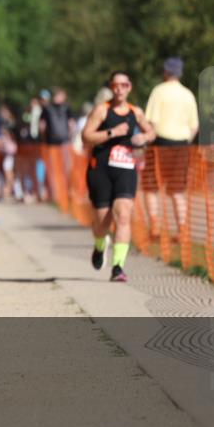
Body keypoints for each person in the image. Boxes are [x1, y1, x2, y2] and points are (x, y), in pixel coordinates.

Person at [80, 71, 156, 282]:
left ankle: (118, 267)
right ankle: (99, 245)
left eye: (124, 85)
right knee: (102, 223)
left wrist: (144, 137)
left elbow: (151, 132)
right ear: (111, 88)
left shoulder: (135, 112)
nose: (120, 89)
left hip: (125, 168)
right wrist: (112, 132)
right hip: (101, 169)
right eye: (116, 85)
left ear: (129, 87)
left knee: (123, 214)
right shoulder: (101, 110)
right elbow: (86, 136)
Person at [143, 57, 199, 243]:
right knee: (177, 190)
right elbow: (194, 126)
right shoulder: (188, 94)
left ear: (165, 72)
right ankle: (182, 229)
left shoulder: (159, 91)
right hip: (182, 145)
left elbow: (152, 122)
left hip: (160, 143)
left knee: (151, 187)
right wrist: (184, 142)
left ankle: (155, 227)